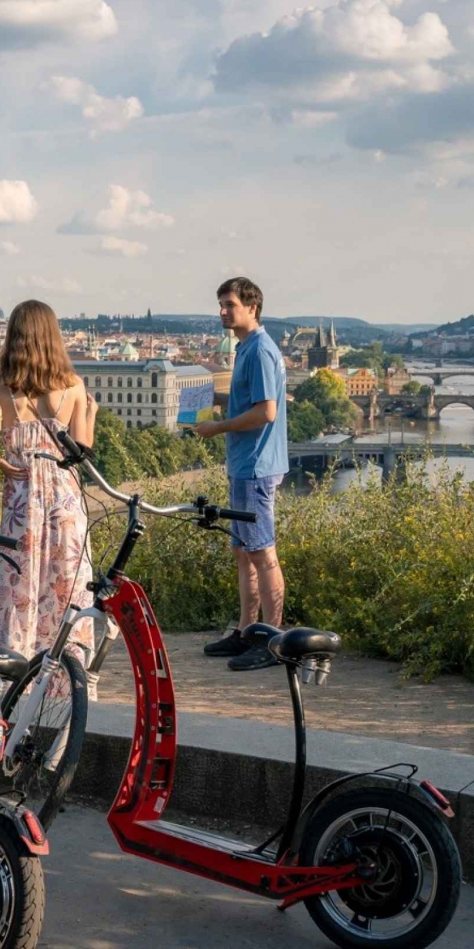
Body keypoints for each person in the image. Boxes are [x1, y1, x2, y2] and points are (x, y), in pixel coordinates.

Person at [0, 299, 98, 670]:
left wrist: (1, 461)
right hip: (66, 498)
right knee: (67, 587)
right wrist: (91, 413)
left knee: (20, 587)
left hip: (23, 497)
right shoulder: (73, 385)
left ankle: (15, 672)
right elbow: (82, 450)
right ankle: (67, 677)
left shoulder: (3, 383)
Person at [194, 276, 290, 671]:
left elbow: (266, 412)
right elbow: (247, 401)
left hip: (256, 467)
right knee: (243, 552)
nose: (222, 311)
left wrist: (218, 427)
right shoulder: (246, 349)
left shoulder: (261, 350)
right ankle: (247, 630)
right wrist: (210, 398)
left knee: (262, 553)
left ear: (252, 306)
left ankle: (272, 641)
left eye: (229, 304)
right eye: (221, 304)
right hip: (245, 465)